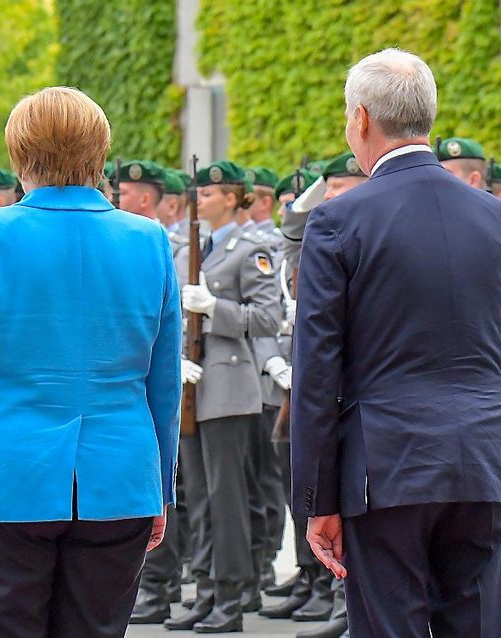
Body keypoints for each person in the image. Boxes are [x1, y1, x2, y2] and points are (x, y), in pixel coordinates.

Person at [0, 86, 181, 638]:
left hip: (4, 477)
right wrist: (158, 487)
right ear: (99, 154)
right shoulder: (149, 239)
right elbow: (163, 384)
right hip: (118, 475)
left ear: (20, 154)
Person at [291, 48, 501, 637]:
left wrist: (317, 497)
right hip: (483, 461)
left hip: (387, 467)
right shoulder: (494, 216)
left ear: (361, 120)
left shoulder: (337, 221)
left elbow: (318, 368)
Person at [166, 159, 281, 633]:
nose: (201, 201)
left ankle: (230, 597)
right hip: (193, 385)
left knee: (226, 497)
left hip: (230, 389)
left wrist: (216, 310)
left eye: (210, 195)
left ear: (233, 198)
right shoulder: (189, 250)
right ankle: (207, 589)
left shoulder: (248, 250)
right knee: (198, 495)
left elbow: (268, 319)